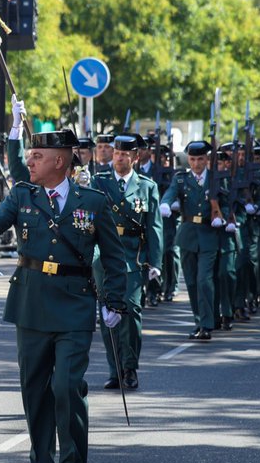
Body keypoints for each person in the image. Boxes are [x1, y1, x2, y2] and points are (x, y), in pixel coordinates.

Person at [0, 128, 126, 463]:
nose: (29, 161)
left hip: (75, 306)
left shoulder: (93, 201)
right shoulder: (23, 195)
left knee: (66, 388)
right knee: (35, 392)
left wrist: (114, 303)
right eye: (30, 154)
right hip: (31, 304)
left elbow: (115, 260)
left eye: (36, 155)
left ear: (60, 161)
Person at [94, 134, 163, 390]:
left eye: (124, 154)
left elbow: (154, 226)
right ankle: (115, 370)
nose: (119, 158)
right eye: (116, 153)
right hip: (104, 257)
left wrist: (155, 261)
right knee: (108, 313)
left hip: (133, 258)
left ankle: (130, 367)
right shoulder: (98, 182)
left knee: (131, 311)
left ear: (135, 157)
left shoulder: (147, 186)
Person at [160, 142, 228, 341]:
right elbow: (171, 193)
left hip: (209, 234)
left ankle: (207, 325)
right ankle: (199, 321)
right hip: (188, 235)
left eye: (200, 159)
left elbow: (228, 201)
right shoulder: (181, 179)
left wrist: (223, 217)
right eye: (192, 159)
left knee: (203, 280)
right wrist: (164, 203)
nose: (196, 163)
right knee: (190, 281)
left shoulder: (216, 179)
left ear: (206, 159)